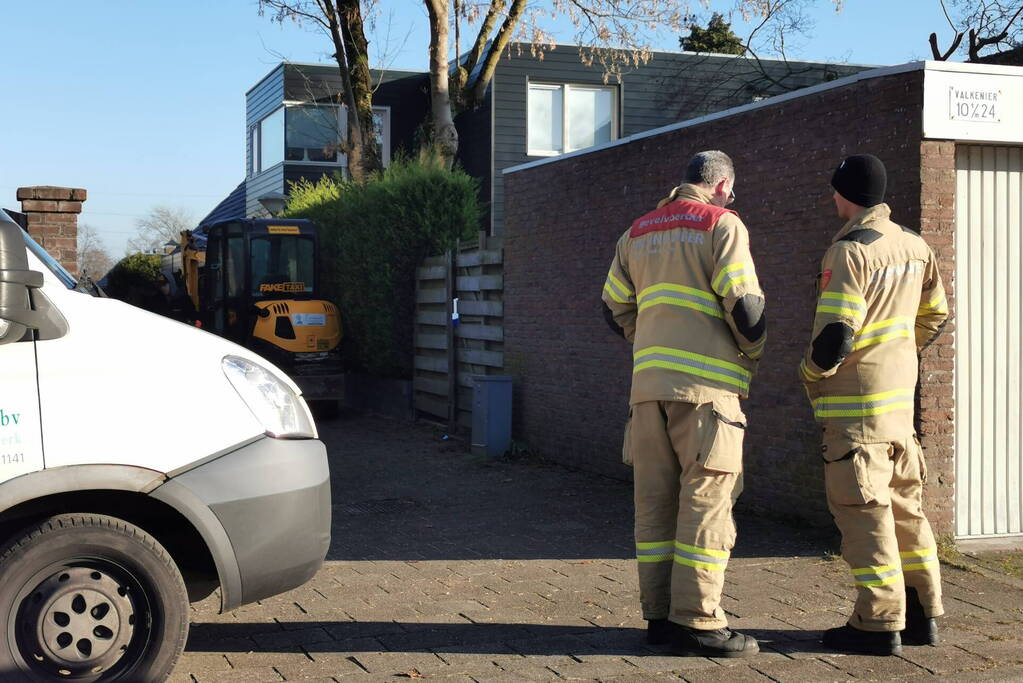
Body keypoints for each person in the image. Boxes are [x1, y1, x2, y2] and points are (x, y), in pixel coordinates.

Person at [601, 150, 766, 657]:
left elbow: (612, 304)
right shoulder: (722, 225)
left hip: (647, 393)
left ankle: (660, 618)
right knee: (706, 504)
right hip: (708, 395)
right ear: (720, 186)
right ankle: (699, 621)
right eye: (731, 192)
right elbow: (746, 306)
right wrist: (750, 355)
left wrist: (645, 343)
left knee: (654, 507)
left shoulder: (638, 231)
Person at [799, 154, 947, 656]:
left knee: (865, 514)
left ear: (848, 194)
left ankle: (878, 625)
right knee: (907, 510)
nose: (831, 198)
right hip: (899, 410)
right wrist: (898, 356)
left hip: (856, 411)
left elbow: (835, 337)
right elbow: (936, 316)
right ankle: (922, 613)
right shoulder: (915, 245)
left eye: (835, 190)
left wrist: (810, 376)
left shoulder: (849, 251)